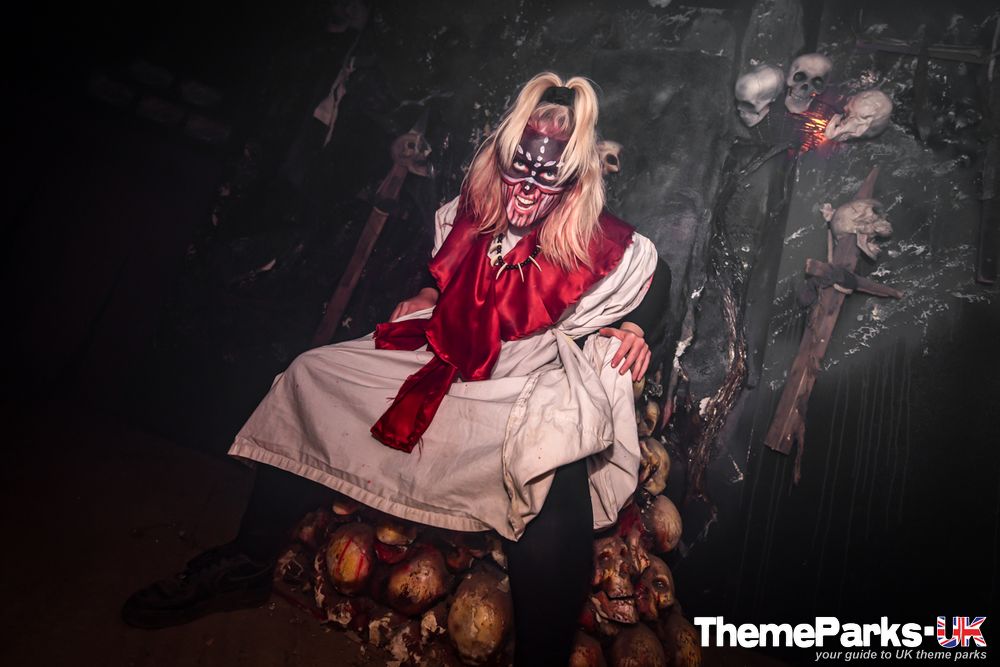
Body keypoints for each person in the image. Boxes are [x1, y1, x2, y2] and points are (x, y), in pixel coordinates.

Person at [123, 71, 670, 666]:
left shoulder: (592, 233)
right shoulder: (476, 208)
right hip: (442, 349)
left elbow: (652, 273)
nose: (527, 187)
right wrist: (430, 293)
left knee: (549, 461)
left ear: (572, 175)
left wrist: (637, 327)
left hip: (522, 373)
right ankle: (248, 562)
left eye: (547, 173)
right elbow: (442, 265)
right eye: (520, 166)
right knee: (312, 375)